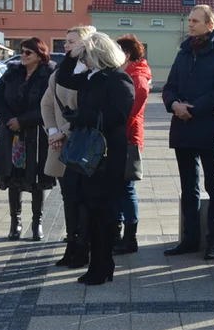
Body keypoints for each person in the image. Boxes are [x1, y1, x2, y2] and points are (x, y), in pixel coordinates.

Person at [56, 32, 135, 285]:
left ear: (97, 55)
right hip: (90, 155)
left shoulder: (118, 78)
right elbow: (64, 77)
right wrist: (71, 53)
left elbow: (118, 116)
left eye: (86, 55)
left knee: (103, 212)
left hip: (107, 156)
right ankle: (98, 265)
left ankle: (102, 266)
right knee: (90, 209)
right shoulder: (91, 77)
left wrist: (81, 117)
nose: (83, 60)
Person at [162, 6, 214, 260]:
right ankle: (190, 238)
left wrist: (192, 110)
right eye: (189, 20)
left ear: (210, 24)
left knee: (213, 187)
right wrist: (174, 105)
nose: (190, 25)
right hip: (183, 127)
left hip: (208, 127)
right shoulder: (184, 51)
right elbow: (169, 85)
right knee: (188, 187)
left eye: (195, 21)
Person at [0, 38, 56, 242]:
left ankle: (37, 223)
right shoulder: (12, 72)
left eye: (28, 52)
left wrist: (23, 120)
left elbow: (49, 105)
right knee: (13, 178)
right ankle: (15, 222)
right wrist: (9, 120)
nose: (23, 55)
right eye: (22, 51)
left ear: (40, 55)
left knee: (36, 179)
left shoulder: (49, 75)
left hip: (36, 133)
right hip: (12, 133)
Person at [42, 25, 94, 267]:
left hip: (83, 144)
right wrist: (53, 131)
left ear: (86, 44)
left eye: (71, 41)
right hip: (61, 145)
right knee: (68, 197)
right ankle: (71, 244)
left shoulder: (94, 72)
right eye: (66, 41)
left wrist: (63, 132)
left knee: (85, 198)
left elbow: (89, 112)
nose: (66, 45)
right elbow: (47, 105)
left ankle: (84, 245)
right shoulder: (59, 72)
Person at [113, 34, 152, 255]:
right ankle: (117, 233)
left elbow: (129, 112)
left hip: (128, 138)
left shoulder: (136, 77)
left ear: (125, 54)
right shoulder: (129, 73)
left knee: (126, 188)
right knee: (119, 187)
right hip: (123, 136)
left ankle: (130, 238)